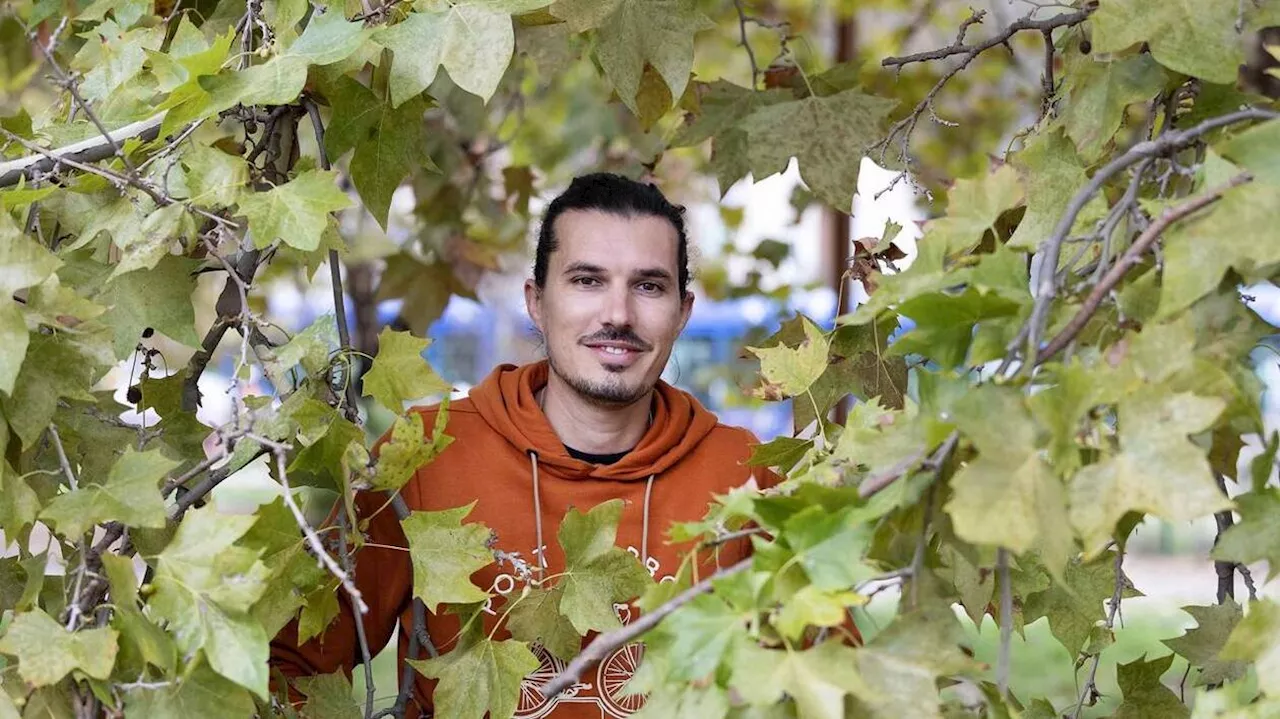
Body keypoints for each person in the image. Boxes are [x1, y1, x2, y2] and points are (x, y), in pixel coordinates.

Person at [269, 173, 786, 718]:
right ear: (537, 302)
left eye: (648, 286)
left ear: (682, 312)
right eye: (587, 281)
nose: (618, 314)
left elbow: (827, 679)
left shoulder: (741, 475)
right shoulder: (425, 454)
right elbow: (288, 662)